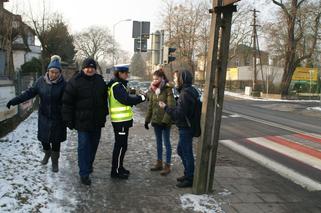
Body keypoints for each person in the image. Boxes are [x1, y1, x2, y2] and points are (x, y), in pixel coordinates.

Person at [6, 55, 66, 173]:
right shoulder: (40, 82)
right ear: (48, 71)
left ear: (60, 73)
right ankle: (47, 154)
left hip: (58, 118)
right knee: (44, 140)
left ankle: (55, 162)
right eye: (52, 72)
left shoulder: (64, 84)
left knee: (56, 141)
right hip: (44, 116)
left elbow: (69, 101)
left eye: (56, 72)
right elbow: (29, 93)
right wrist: (14, 101)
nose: (53, 74)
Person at [62, 58, 108, 186]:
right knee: (83, 147)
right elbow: (67, 103)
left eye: (92, 67)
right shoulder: (75, 81)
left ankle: (88, 164)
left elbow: (104, 100)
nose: (90, 69)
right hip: (81, 122)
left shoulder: (100, 81)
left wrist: (104, 114)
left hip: (96, 121)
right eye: (87, 67)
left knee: (93, 146)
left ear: (95, 69)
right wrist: (69, 121)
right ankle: (84, 173)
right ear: (83, 68)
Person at [159, 70, 199, 188]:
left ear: (182, 79)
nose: (174, 80)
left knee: (186, 152)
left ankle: (190, 178)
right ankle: (188, 174)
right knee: (182, 151)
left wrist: (166, 107)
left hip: (186, 127)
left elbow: (179, 114)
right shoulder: (188, 91)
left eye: (176, 78)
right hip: (187, 126)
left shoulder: (185, 93)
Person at [107, 64, 146, 179]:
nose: (127, 75)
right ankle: (116, 170)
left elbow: (126, 98)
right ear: (119, 73)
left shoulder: (119, 85)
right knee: (120, 146)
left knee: (123, 146)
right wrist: (141, 98)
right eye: (125, 73)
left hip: (122, 121)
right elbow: (126, 100)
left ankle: (120, 167)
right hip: (120, 122)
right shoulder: (117, 86)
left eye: (127, 73)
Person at [145, 69, 175, 176]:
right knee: (158, 143)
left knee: (166, 142)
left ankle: (167, 165)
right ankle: (159, 163)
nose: (155, 81)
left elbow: (171, 106)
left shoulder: (168, 89)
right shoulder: (153, 90)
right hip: (156, 121)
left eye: (157, 78)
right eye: (153, 79)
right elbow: (150, 106)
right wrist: (147, 120)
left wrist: (165, 121)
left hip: (165, 122)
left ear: (162, 78)